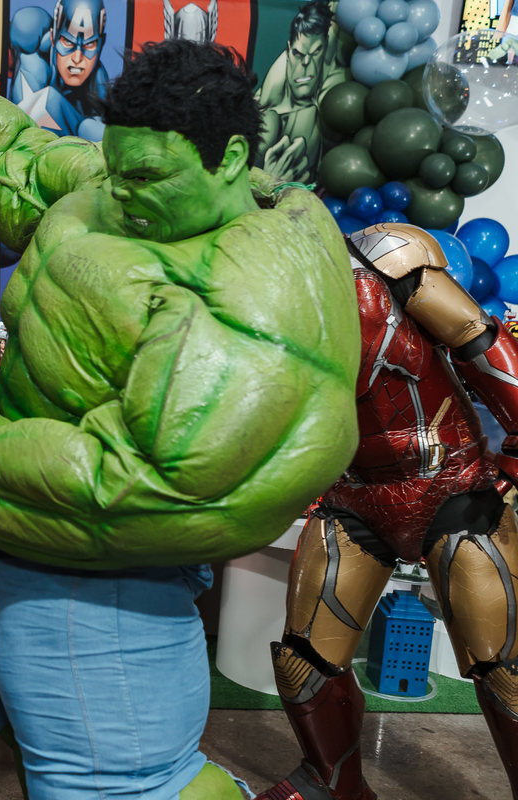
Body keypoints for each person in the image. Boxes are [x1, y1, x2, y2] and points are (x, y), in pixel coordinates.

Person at [0, 39, 361, 798]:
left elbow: (160, 485)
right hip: (26, 568)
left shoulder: (257, 302)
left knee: (123, 787)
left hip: (104, 606)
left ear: (231, 158)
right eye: (117, 166)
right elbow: (22, 157)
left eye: (146, 175)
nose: (123, 190)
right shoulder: (125, 192)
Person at [254, 223, 518, 800]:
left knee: (503, 669)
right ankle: (332, 782)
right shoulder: (252, 289)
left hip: (450, 482)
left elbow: (480, 341)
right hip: (352, 494)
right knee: (304, 660)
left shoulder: (384, 259)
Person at [255, 0, 346, 183]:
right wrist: (267, 183)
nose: (305, 63)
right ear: (289, 51)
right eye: (298, 54)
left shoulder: (332, 80)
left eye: (316, 53)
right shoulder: (267, 103)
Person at [9, 0, 110, 140]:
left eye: (90, 44)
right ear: (52, 38)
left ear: (101, 44)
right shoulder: (36, 63)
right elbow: (27, 119)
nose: (77, 58)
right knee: (48, 101)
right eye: (68, 42)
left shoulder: (98, 75)